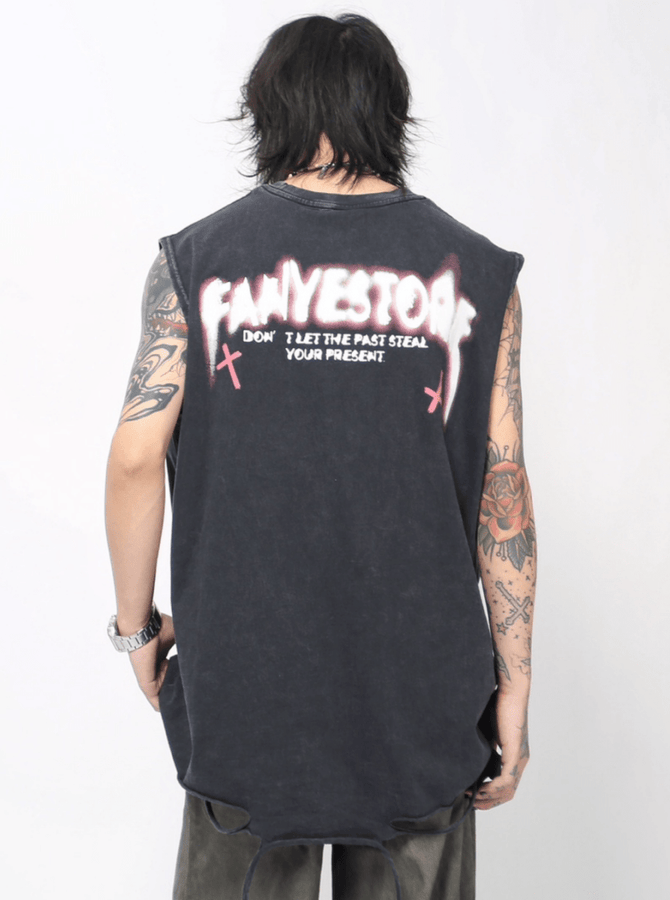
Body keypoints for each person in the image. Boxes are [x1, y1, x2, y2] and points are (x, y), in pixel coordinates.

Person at [104, 12, 536, 900]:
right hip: (421, 698)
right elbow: (505, 485)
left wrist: (138, 629)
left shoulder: (195, 263)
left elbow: (136, 456)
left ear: (270, 109)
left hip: (246, 695)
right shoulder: (479, 274)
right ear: (391, 111)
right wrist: (516, 684)